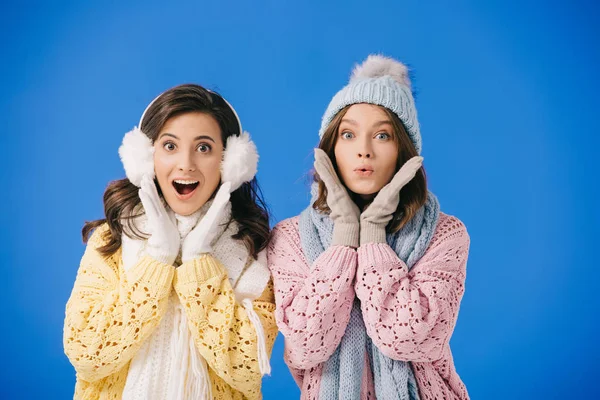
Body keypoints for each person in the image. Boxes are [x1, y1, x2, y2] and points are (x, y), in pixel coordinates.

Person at [267, 55, 471, 399]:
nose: (363, 151)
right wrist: (345, 240)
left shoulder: (444, 234)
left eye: (382, 135)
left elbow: (410, 339)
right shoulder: (289, 238)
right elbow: (304, 346)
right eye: (348, 134)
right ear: (330, 148)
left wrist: (373, 235)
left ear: (404, 151)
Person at [63, 84, 277, 399]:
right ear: (145, 158)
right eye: (170, 146)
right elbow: (86, 355)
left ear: (230, 162)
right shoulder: (112, 241)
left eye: (204, 148)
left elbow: (248, 369)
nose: (186, 164)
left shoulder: (253, 251)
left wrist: (198, 263)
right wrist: (158, 260)